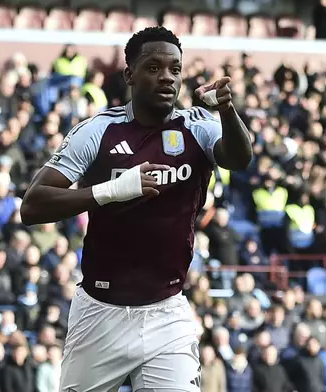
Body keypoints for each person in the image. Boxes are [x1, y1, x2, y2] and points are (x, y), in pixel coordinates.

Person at [20, 26, 253, 392]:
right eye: (154, 67)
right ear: (130, 74)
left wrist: (226, 110)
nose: (167, 78)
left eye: (175, 69)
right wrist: (111, 190)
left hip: (167, 311)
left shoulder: (198, 125)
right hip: (100, 312)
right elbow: (32, 206)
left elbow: (239, 158)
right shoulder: (99, 131)